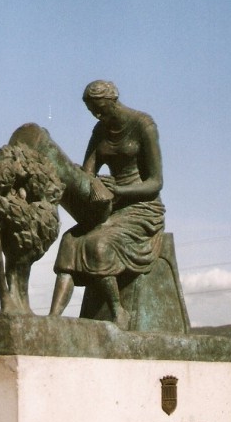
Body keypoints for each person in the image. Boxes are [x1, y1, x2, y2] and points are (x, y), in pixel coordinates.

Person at [49, 80, 166, 329]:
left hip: (142, 208)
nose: (97, 114)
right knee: (70, 241)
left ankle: (119, 313)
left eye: (101, 108)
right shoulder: (99, 131)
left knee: (98, 243)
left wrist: (119, 190)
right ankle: (53, 319)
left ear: (114, 100)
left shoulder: (143, 125)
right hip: (110, 208)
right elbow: (88, 175)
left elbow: (155, 183)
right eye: (92, 110)